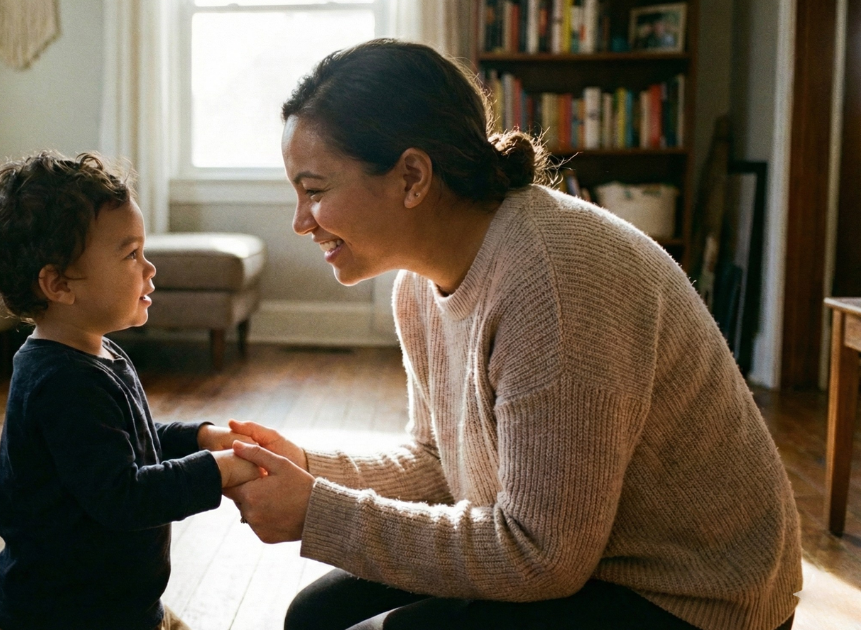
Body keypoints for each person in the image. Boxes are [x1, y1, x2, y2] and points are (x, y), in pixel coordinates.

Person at [223, 39, 801, 630]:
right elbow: (439, 464)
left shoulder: (553, 280)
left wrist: (318, 513)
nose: (300, 223)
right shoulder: (418, 286)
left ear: (413, 177)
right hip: (584, 555)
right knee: (314, 616)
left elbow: (541, 557)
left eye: (315, 191)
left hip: (693, 597)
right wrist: (309, 465)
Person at [0, 152, 261, 630]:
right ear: (59, 283)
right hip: (64, 616)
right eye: (130, 255)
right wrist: (217, 471)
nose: (150, 268)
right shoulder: (61, 381)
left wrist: (199, 438)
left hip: (117, 605)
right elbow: (124, 495)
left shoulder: (94, 353)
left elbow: (128, 441)